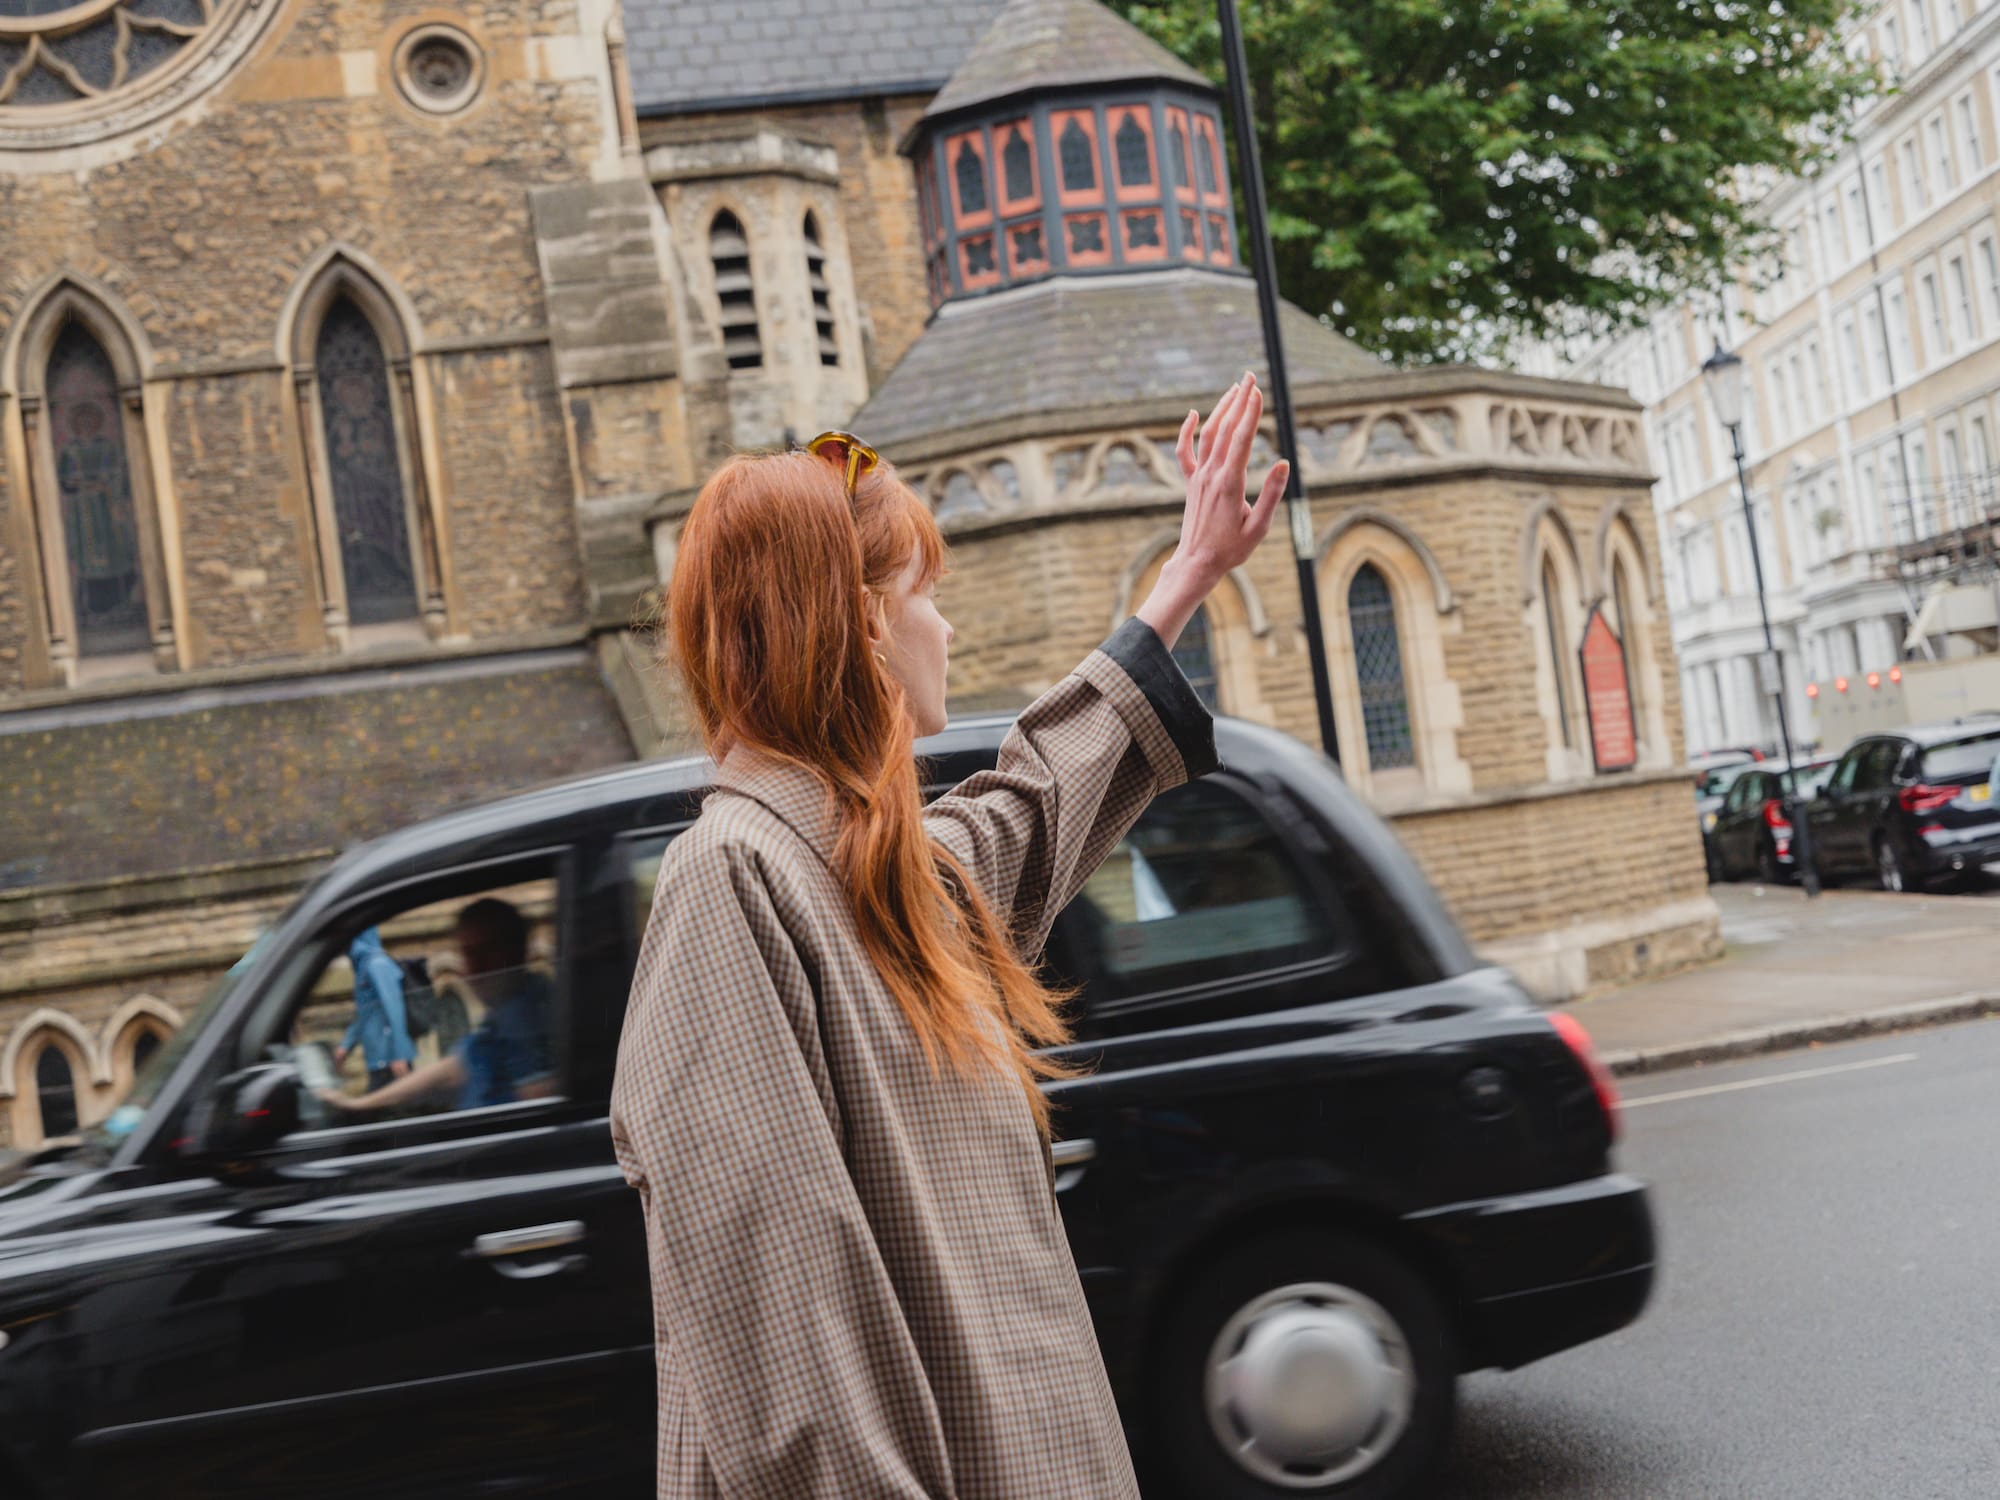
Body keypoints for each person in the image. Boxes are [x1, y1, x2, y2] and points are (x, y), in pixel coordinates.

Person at [610, 374, 1285, 1498]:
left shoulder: (879, 871)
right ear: (864, 619)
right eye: (925, 590)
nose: (947, 623)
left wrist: (1188, 576)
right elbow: (787, 1347)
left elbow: (1029, 802)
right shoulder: (731, 881)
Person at [321, 898, 554, 1116]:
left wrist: (398, 1052)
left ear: (518, 951)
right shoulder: (501, 1016)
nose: (475, 967)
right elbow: (454, 1069)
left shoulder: (526, 1016)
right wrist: (359, 1102)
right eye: (468, 953)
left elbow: (393, 1006)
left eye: (488, 950)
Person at [332, 927, 416, 1091]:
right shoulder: (362, 966)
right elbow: (364, 1013)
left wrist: (399, 1054)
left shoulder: (377, 964)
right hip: (378, 1060)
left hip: (391, 1061)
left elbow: (395, 1009)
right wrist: (345, 1046)